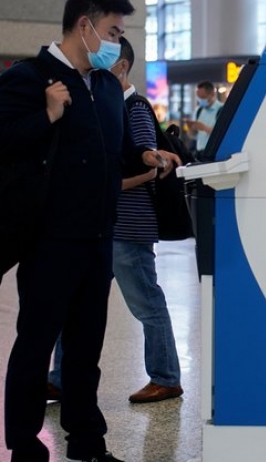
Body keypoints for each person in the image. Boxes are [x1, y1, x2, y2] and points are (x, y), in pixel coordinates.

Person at [0, 0, 170, 462]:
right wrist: (46, 116)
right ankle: (26, 458)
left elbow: (111, 152)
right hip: (49, 242)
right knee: (35, 349)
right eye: (114, 30)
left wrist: (144, 154)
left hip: (99, 238)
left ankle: (84, 444)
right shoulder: (31, 79)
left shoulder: (102, 87)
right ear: (85, 25)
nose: (118, 41)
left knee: (85, 350)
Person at [46, 37, 185, 405]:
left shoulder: (132, 106)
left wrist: (137, 168)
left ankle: (166, 377)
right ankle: (59, 378)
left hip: (129, 224)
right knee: (75, 302)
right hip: (104, 222)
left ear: (121, 67)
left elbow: (143, 160)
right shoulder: (105, 106)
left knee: (146, 303)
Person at [189, 80, 223, 155]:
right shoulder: (199, 110)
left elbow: (222, 132)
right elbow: (193, 135)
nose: (201, 100)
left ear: (212, 94)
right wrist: (191, 128)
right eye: (199, 98)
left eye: (203, 97)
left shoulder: (221, 109)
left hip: (213, 152)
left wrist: (204, 128)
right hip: (199, 152)